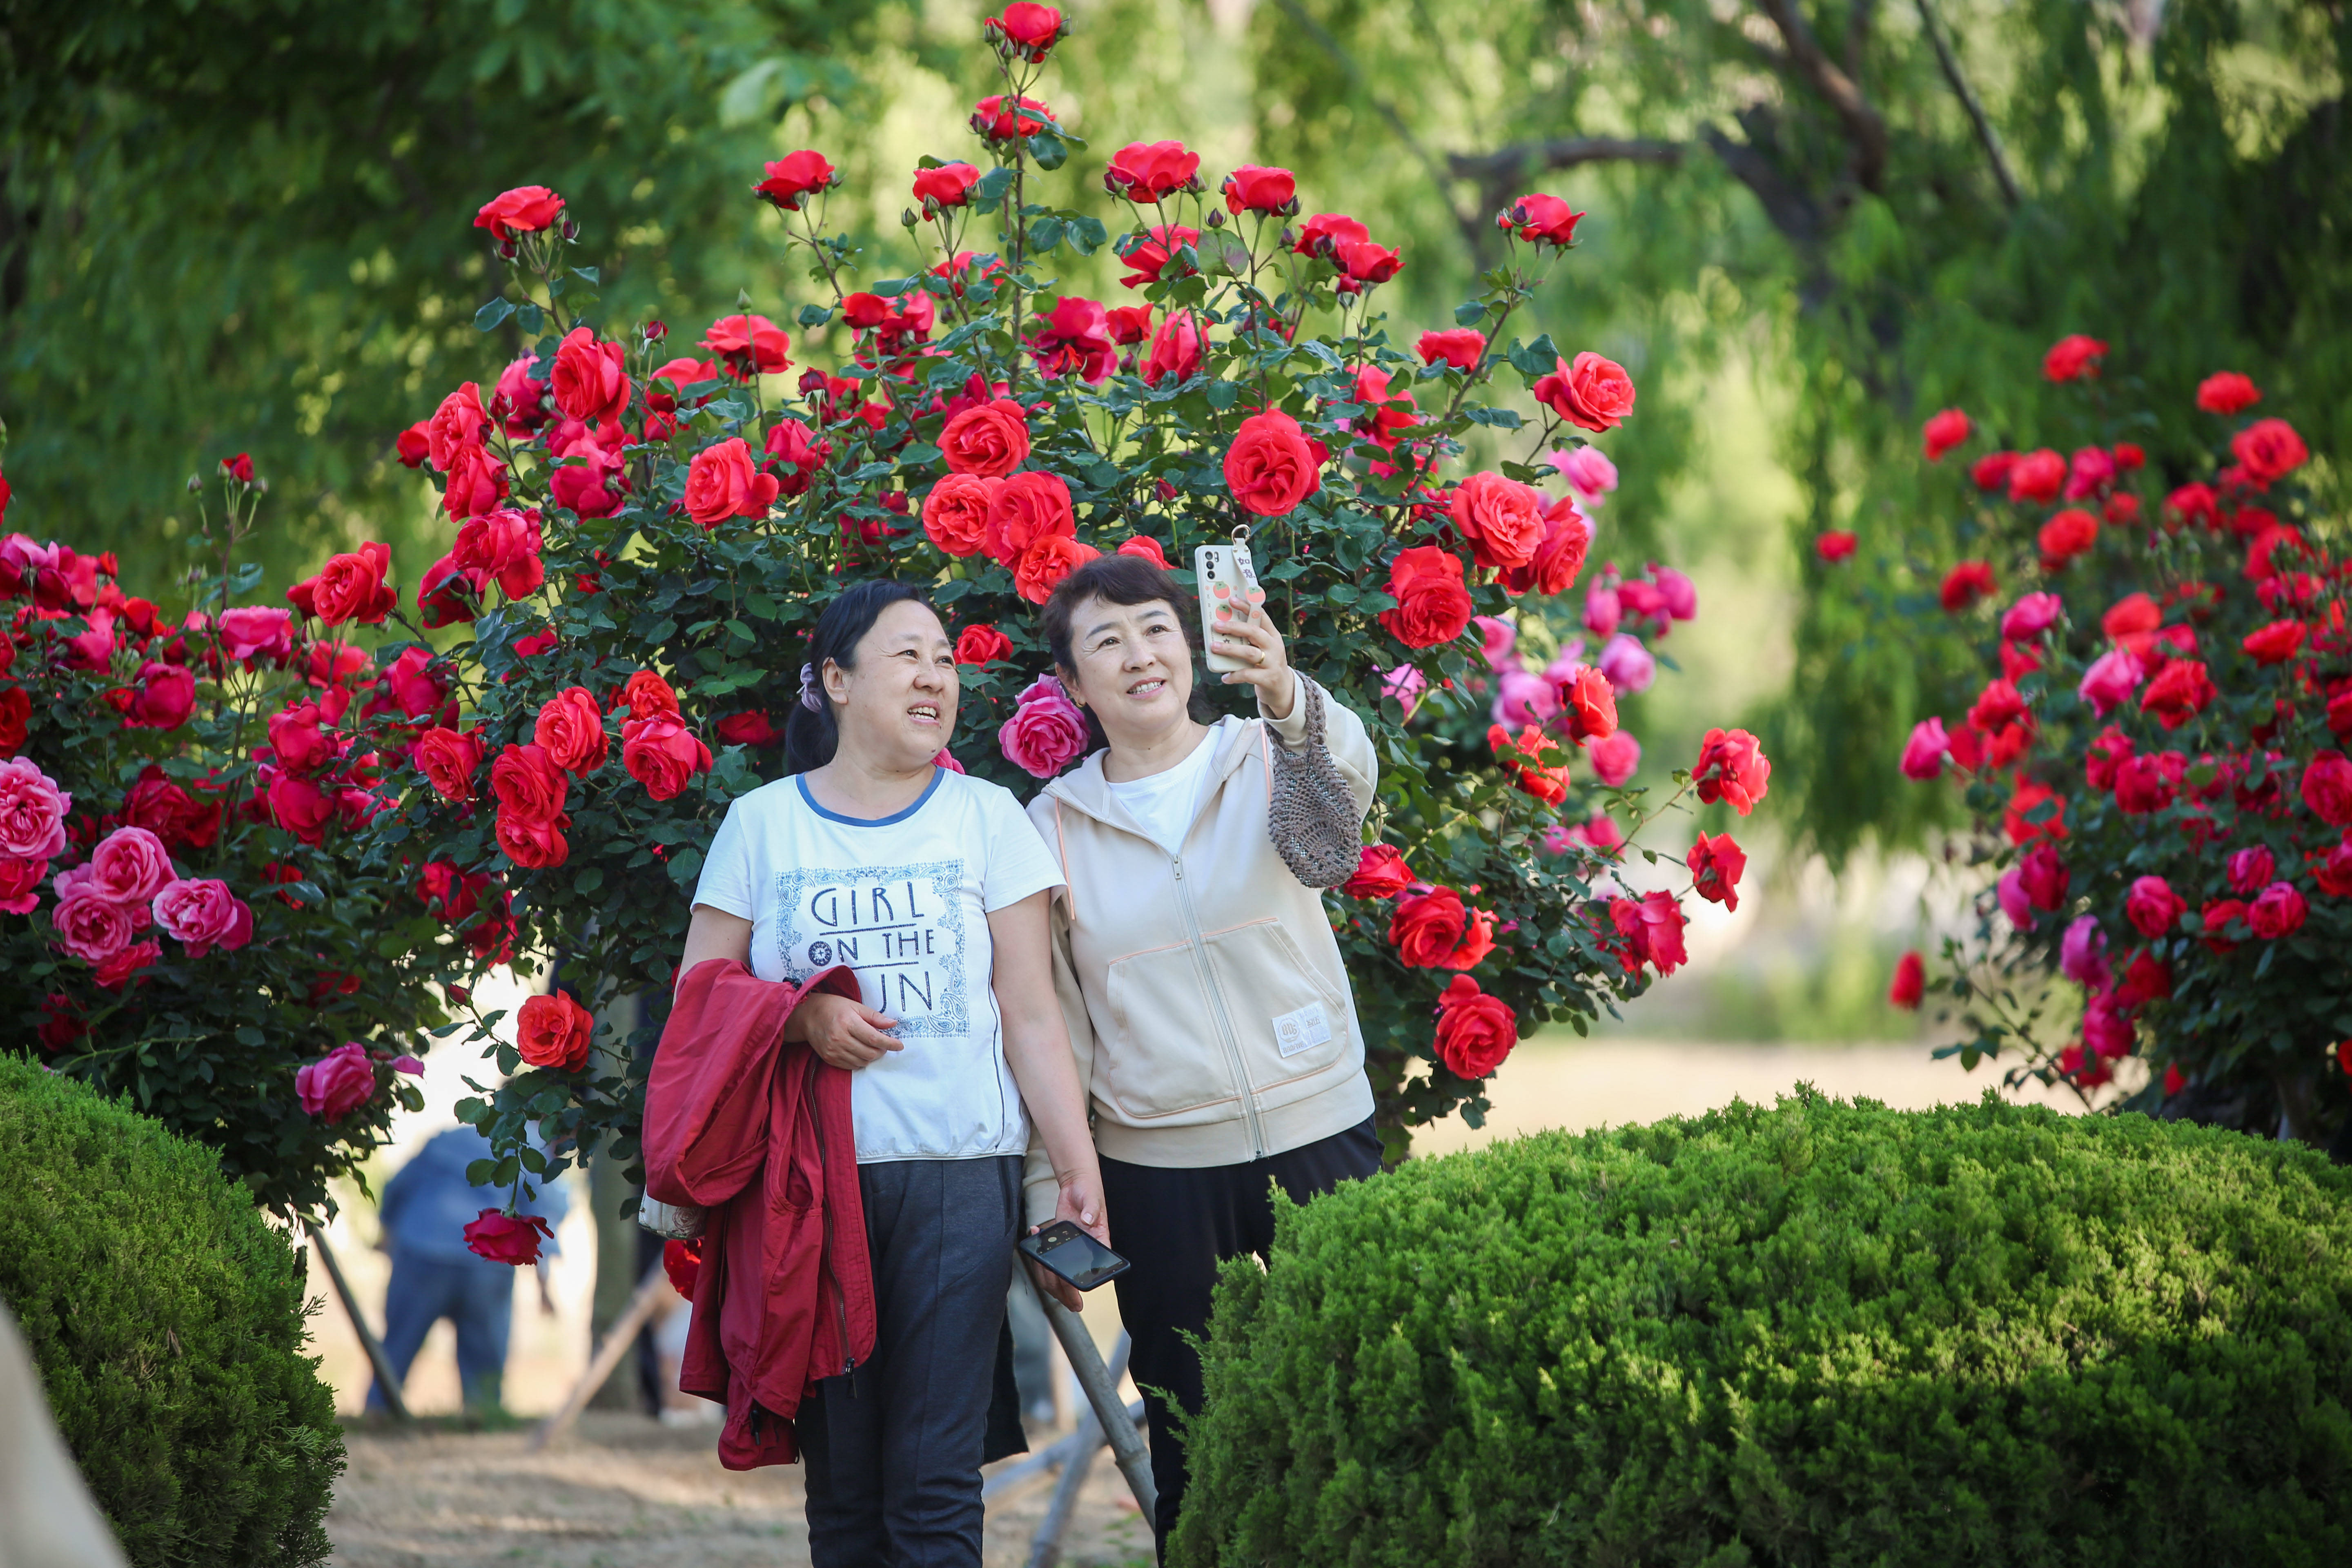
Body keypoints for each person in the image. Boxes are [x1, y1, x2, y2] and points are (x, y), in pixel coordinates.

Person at [678, 580, 1106, 1568]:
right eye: (907, 655)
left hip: (960, 1179)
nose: (934, 677)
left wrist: (1073, 1172)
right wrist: (801, 1017)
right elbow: (699, 997)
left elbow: (1031, 1013)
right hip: (809, 1188)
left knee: (934, 1480)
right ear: (834, 680)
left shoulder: (987, 816)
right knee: (843, 1490)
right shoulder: (761, 825)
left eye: (945, 660)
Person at [1023, 553, 1383, 1557]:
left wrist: (1284, 688)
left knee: (1361, 1402)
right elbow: (1051, 1020)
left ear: (1190, 646)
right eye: (1106, 641)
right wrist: (1052, 1184)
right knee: (1194, 1436)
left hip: (1319, 1126)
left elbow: (1351, 786)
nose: (1138, 654)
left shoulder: (1267, 752)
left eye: (1154, 629)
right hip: (1159, 1166)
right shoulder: (1051, 826)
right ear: (1073, 686)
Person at [368, 1123, 568, 1413]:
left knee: (396, 1350)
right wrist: (544, 1286)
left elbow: (398, 1186)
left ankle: (377, 1413)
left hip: (424, 1248)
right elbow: (541, 1216)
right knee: (484, 1372)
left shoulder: (447, 1139)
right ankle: (482, 1419)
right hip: (487, 1261)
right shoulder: (533, 1151)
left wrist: (386, 1232)